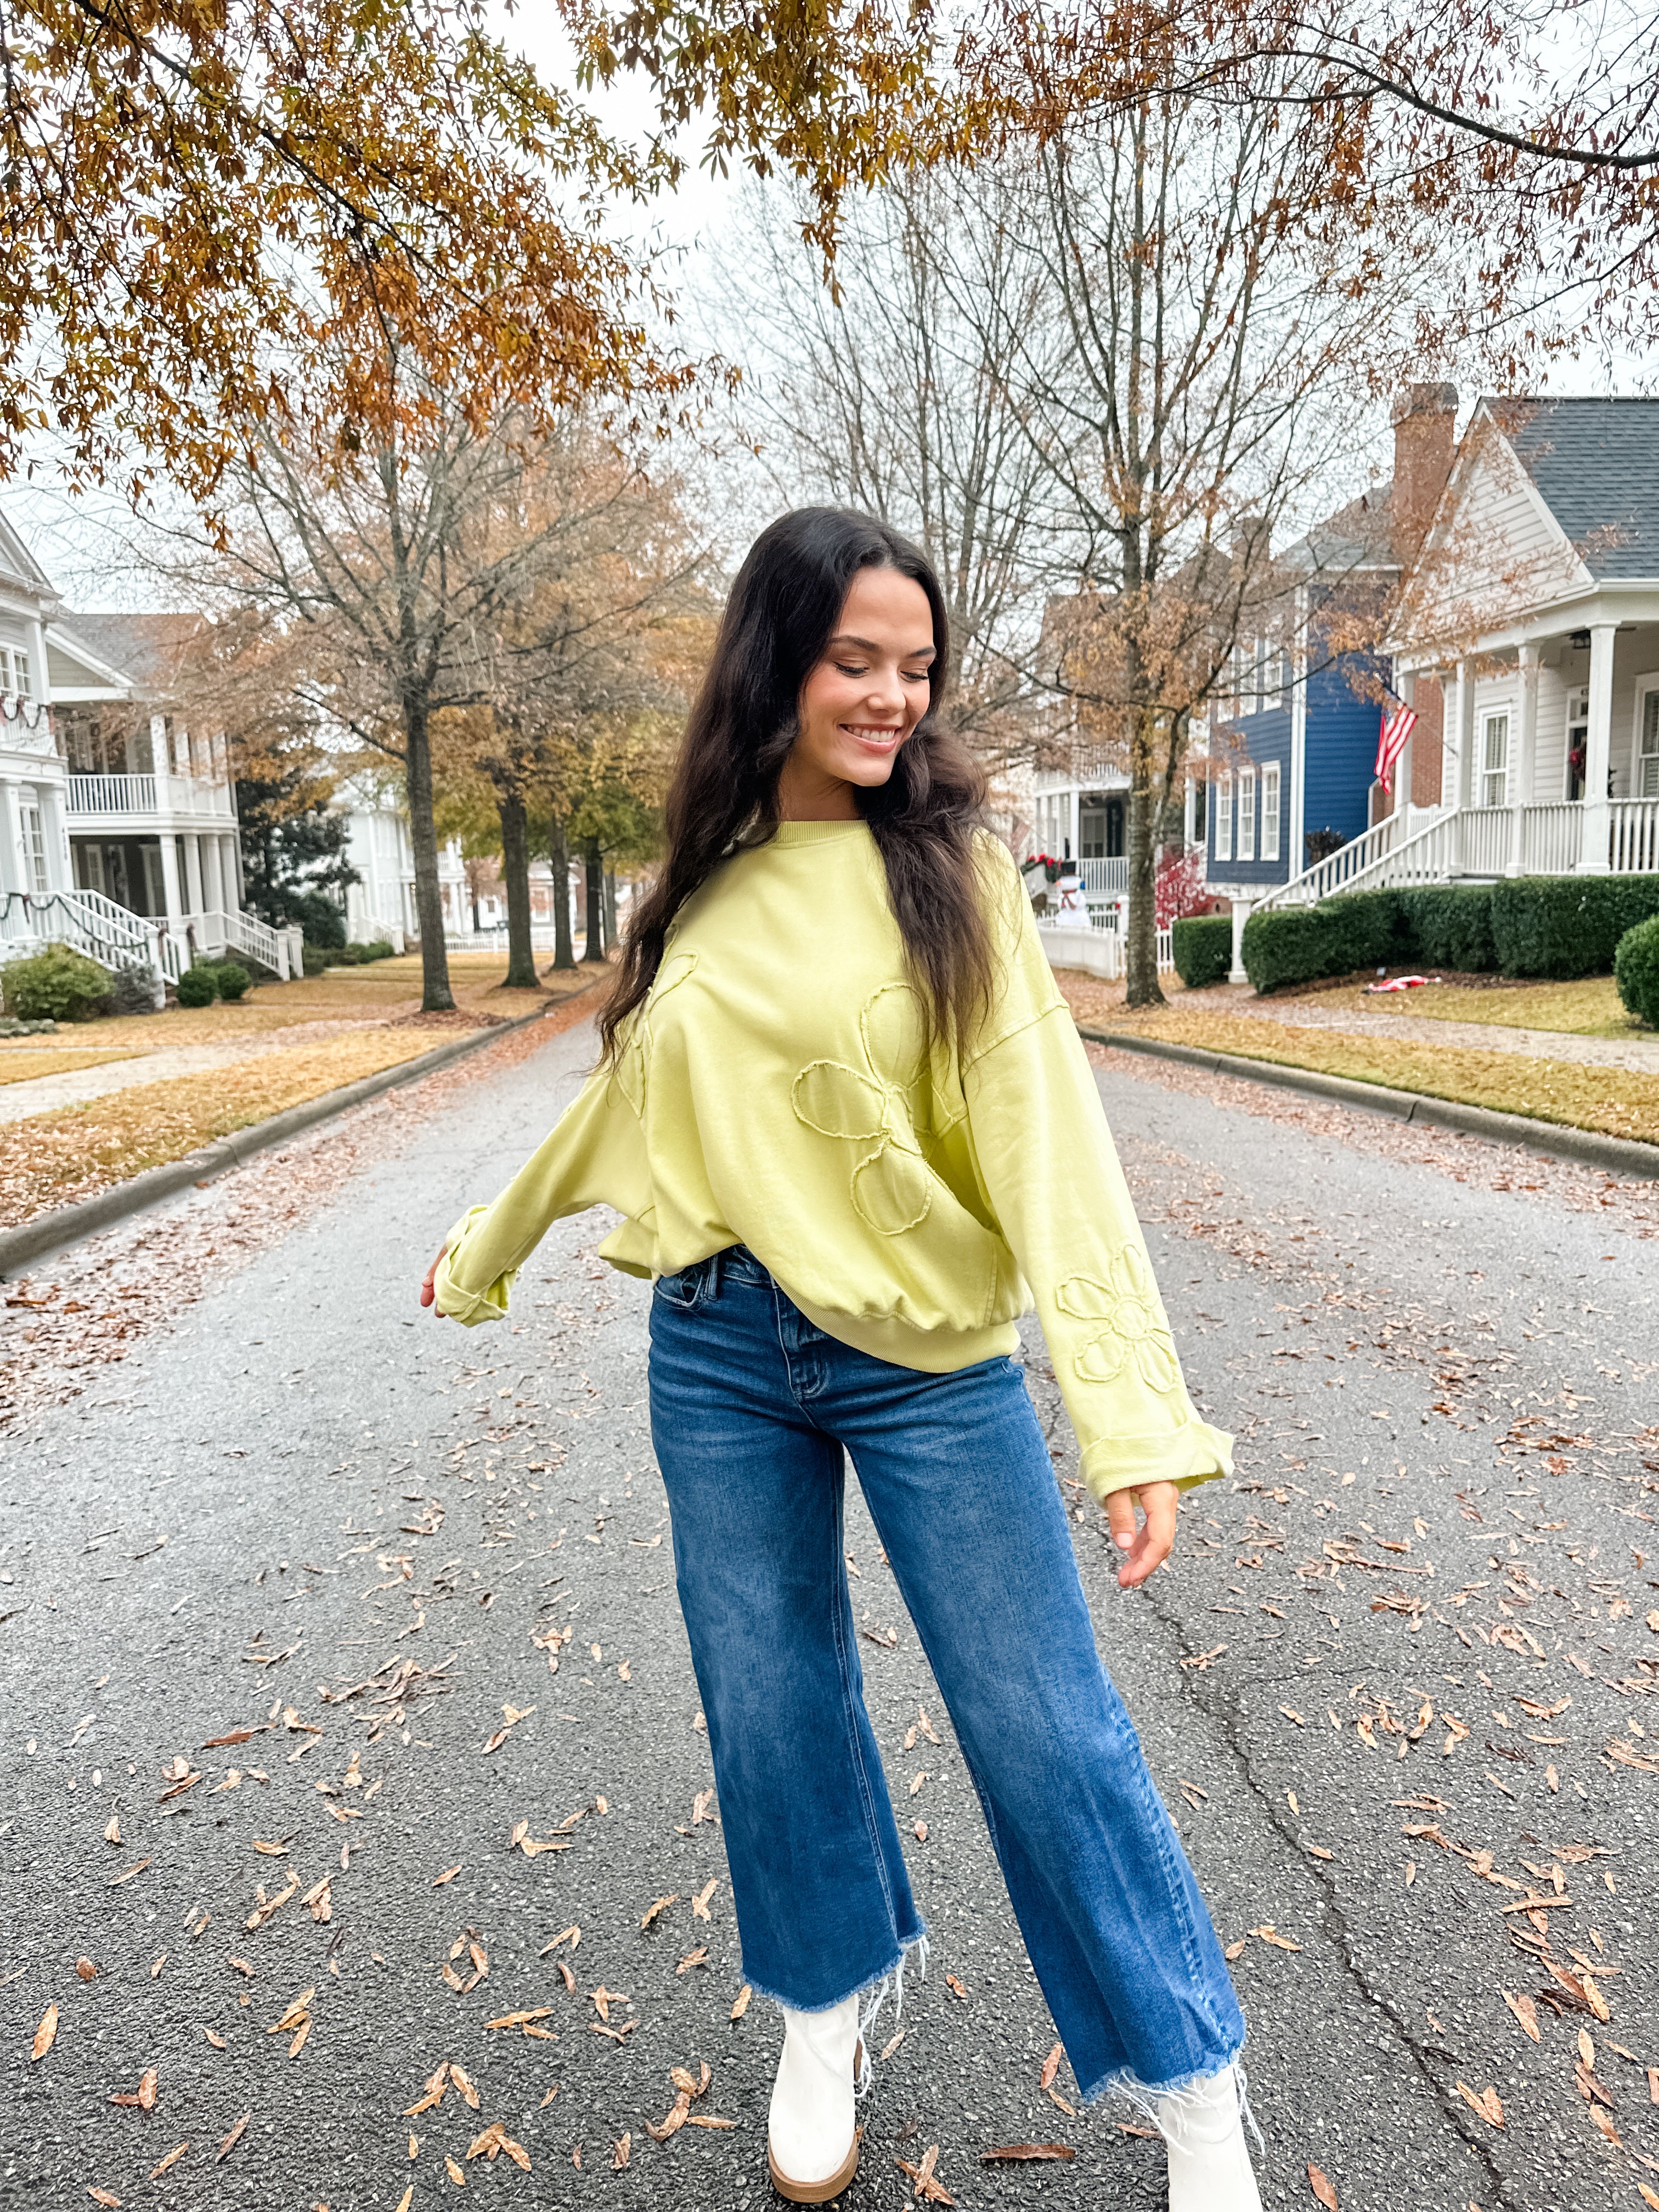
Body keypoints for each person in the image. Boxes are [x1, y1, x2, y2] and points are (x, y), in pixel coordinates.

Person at [421, 509, 1261, 2210]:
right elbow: (638, 1104)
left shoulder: (950, 878)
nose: (890, 698)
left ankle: (1192, 2084)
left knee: (1043, 1723)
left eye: (917, 669)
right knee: (772, 1706)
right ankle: (827, 2002)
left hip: (928, 1363)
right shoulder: (706, 880)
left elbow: (1050, 1144)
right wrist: (493, 1237)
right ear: (778, 663)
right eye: (854, 661)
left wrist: (1131, 1414)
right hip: (719, 1350)